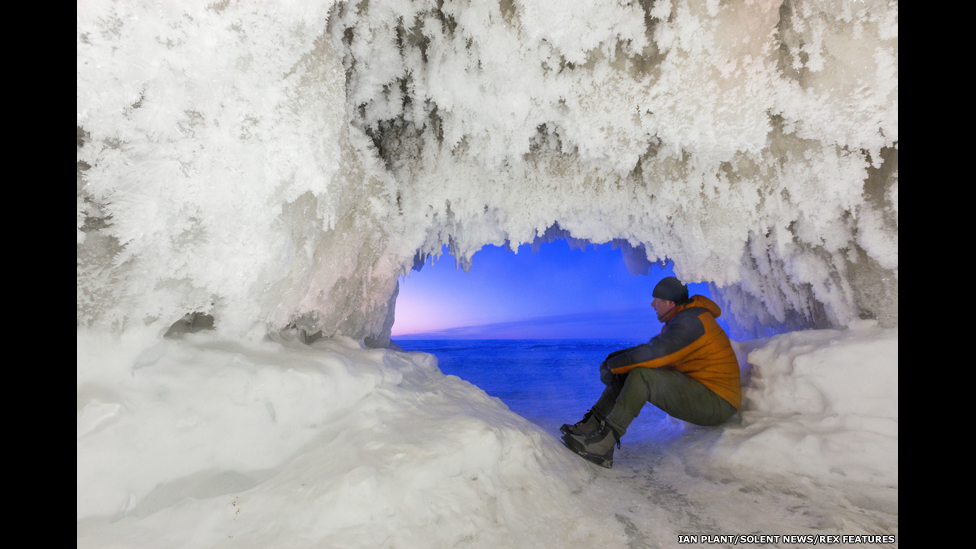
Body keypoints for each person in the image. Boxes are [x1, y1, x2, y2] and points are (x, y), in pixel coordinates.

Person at [560, 276, 741, 468]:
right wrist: (616, 359)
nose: (653, 304)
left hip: (717, 402)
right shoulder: (686, 318)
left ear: (670, 302)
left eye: (657, 299)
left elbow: (654, 355)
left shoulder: (691, 323)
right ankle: (591, 426)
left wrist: (611, 366)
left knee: (641, 377)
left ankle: (604, 445)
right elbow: (655, 347)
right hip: (701, 390)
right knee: (629, 370)